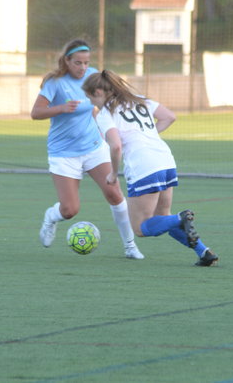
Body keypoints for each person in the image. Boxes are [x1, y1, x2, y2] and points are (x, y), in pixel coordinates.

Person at [82, 70, 219, 266]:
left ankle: (181, 218)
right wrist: (148, 135)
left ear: (98, 92)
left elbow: (116, 146)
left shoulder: (105, 114)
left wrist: (113, 173)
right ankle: (204, 253)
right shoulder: (139, 100)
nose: (91, 103)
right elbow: (169, 117)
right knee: (162, 218)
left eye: (90, 98)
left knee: (140, 228)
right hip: (165, 160)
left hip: (143, 165)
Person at [30, 39, 144, 260]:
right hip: (64, 153)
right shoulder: (55, 82)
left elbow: (98, 106)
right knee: (70, 210)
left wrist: (103, 128)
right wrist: (61, 108)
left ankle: (130, 246)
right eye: (78, 63)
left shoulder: (92, 76)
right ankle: (51, 217)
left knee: (115, 194)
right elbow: (36, 113)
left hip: (94, 147)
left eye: (86, 62)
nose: (83, 67)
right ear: (67, 61)